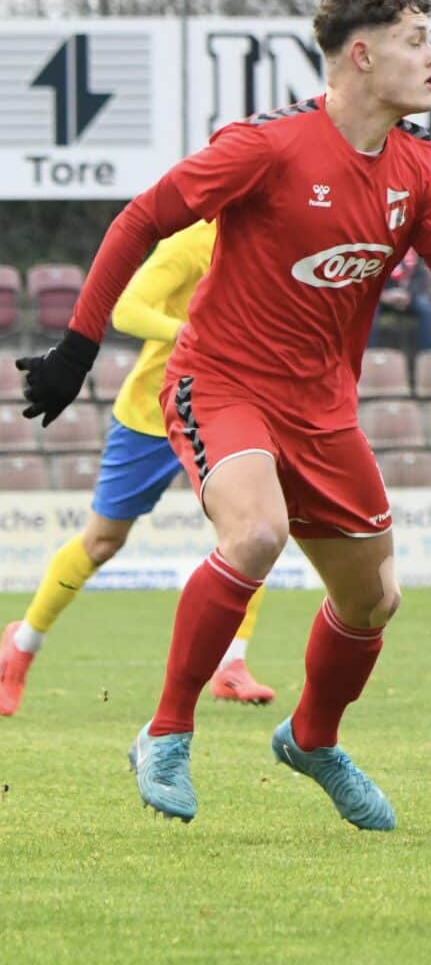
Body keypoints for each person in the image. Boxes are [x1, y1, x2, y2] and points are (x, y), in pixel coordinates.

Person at [13, 0, 431, 828]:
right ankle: (166, 731)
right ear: (361, 54)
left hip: (322, 407)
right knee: (257, 533)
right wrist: (79, 346)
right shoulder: (266, 145)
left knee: (373, 599)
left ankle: (311, 738)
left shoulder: (422, 169)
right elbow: (140, 218)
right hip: (222, 381)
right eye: (416, 41)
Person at [1, 221, 277, 716]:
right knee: (103, 541)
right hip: (152, 411)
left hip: (230, 410)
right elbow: (127, 309)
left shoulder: (281, 236)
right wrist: (194, 334)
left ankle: (232, 664)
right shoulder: (192, 241)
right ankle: (22, 644)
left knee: (252, 528)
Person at [374, 248, 431, 353]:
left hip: (408, 297)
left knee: (426, 309)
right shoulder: (380, 251)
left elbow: (420, 277)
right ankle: (369, 355)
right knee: (368, 311)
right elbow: (372, 280)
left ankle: (428, 354)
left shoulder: (413, 253)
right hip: (383, 298)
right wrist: (384, 296)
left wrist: (409, 295)